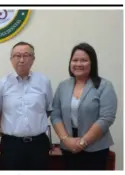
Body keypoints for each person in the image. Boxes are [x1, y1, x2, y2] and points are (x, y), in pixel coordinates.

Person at [50, 42, 117, 170]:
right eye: (75, 60)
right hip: (68, 147)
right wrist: (66, 140)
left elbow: (106, 118)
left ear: (92, 63)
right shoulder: (63, 86)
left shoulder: (104, 86)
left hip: (95, 147)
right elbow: (55, 115)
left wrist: (82, 142)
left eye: (84, 60)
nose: (79, 64)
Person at [0, 41, 53, 170]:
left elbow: (48, 110)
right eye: (17, 56)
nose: (21, 60)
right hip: (12, 145)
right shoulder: (2, 84)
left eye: (26, 55)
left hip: (38, 144)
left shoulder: (43, 81)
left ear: (33, 59)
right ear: (11, 59)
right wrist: (12, 128)